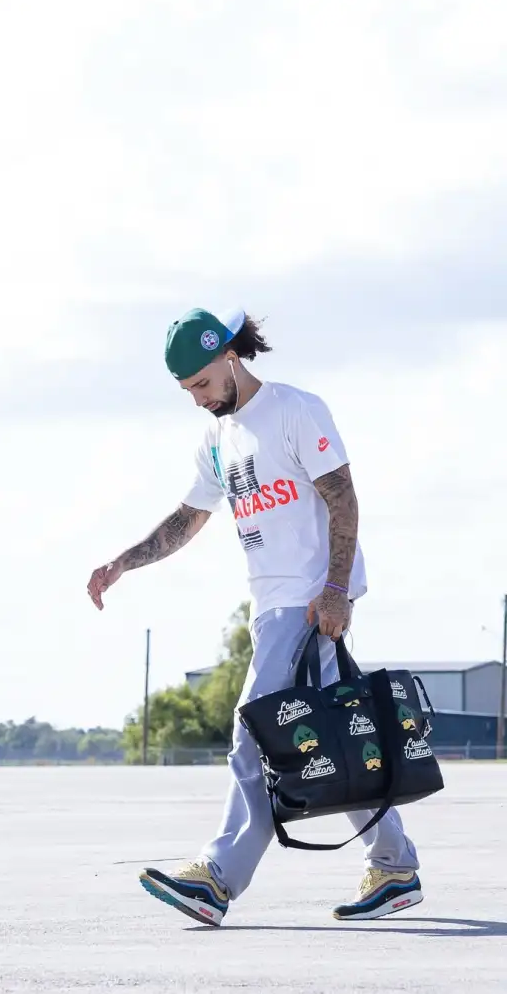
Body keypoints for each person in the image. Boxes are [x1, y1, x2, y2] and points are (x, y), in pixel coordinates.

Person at [86, 307, 421, 926]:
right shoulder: (218, 439)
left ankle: (217, 880)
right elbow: (188, 519)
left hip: (310, 602)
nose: (198, 399)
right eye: (187, 391)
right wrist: (123, 563)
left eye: (203, 384)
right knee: (330, 743)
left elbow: (342, 497)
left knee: (255, 734)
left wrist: (337, 589)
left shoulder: (295, 411)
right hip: (271, 607)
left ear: (230, 358)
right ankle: (395, 864)